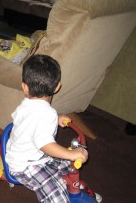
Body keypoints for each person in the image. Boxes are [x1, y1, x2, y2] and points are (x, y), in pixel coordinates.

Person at [5, 54, 99, 203]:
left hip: (30, 155)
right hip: (26, 165)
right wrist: (71, 154)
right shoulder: (46, 114)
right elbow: (45, 145)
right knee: (57, 197)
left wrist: (56, 119)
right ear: (57, 87)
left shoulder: (27, 105)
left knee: (68, 167)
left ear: (24, 86)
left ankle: (73, 186)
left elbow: (34, 122)